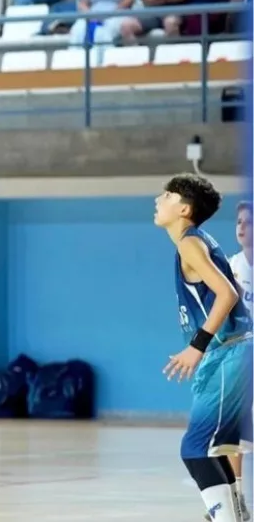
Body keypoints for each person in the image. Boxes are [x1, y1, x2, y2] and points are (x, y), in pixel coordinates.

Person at [156, 173, 253, 522]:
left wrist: (198, 345)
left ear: (184, 208)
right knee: (211, 449)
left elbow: (228, 293)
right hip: (227, 354)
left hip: (230, 353)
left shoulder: (189, 244)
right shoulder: (194, 241)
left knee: (196, 448)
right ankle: (235, 516)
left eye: (166, 196)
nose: (158, 200)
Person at [227, 200, 253, 520]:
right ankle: (235, 500)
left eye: (249, 221)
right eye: (239, 221)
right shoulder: (230, 267)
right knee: (233, 436)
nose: (242, 226)